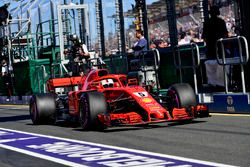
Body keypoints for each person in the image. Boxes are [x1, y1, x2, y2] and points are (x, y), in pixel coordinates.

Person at [202, 6, 229, 87]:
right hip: (220, 47)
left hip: (210, 48)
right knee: (221, 64)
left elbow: (204, 37)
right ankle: (222, 83)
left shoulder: (207, 22)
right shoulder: (221, 22)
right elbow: (225, 35)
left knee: (211, 66)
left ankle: (212, 83)